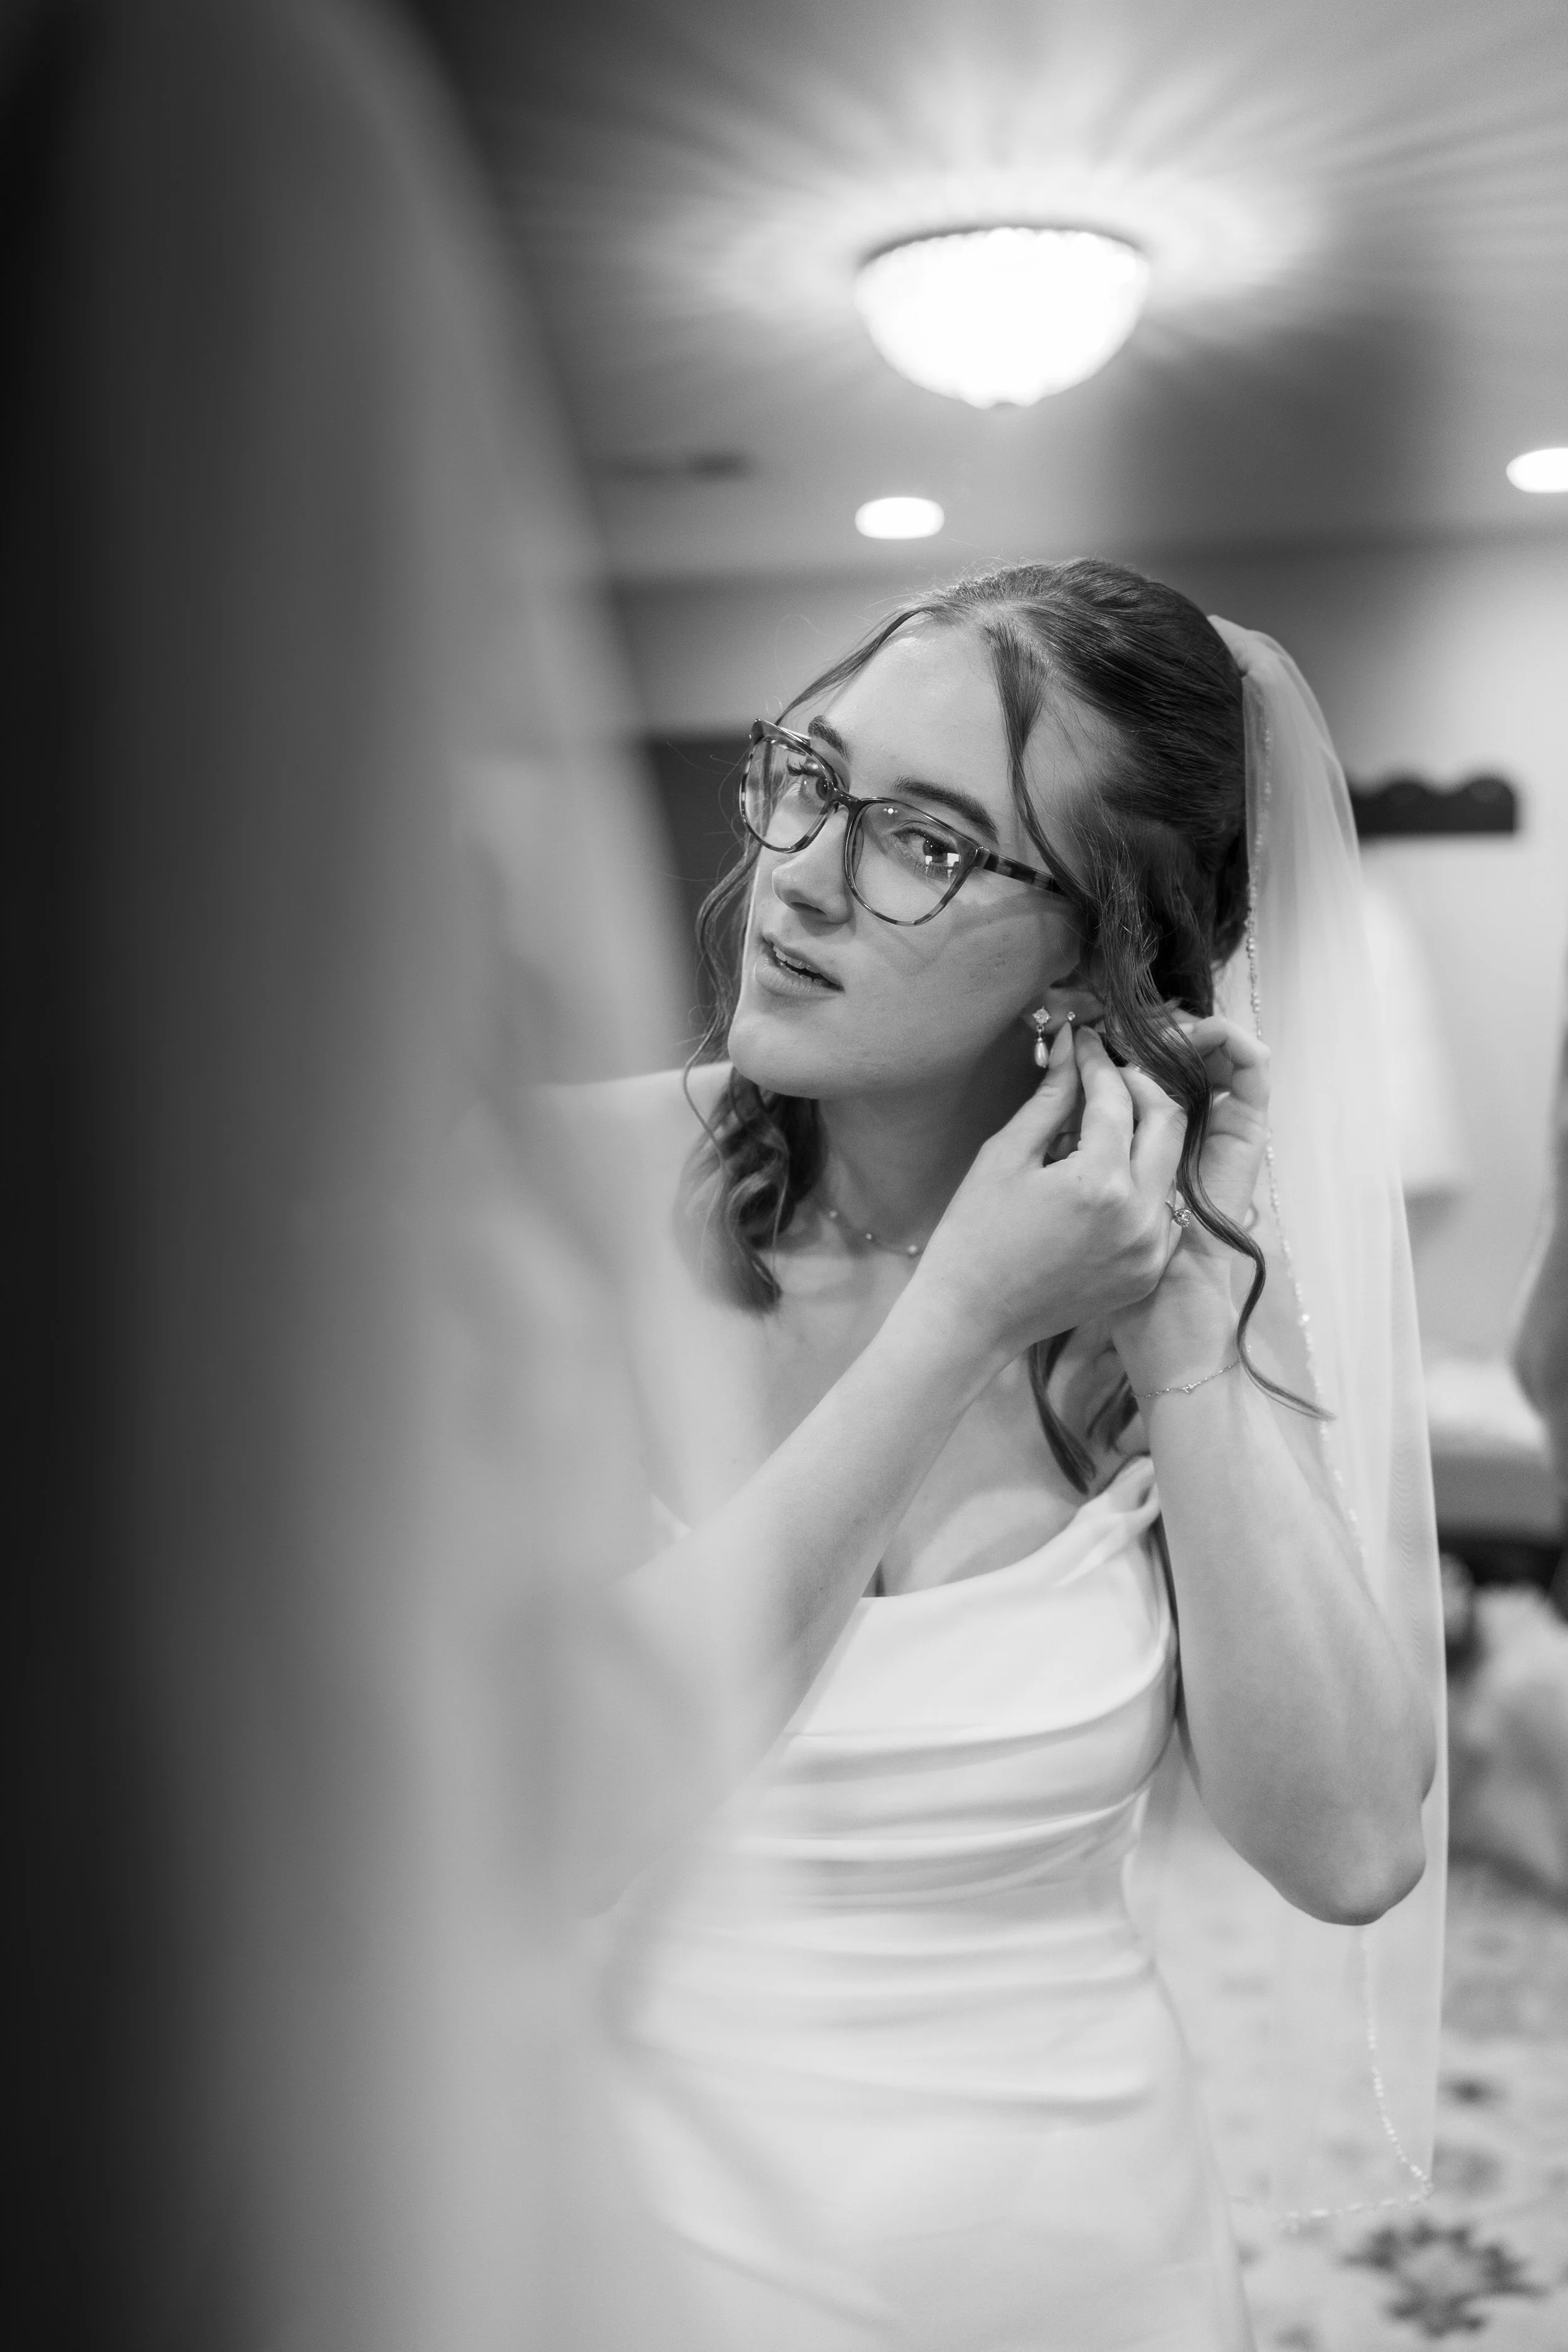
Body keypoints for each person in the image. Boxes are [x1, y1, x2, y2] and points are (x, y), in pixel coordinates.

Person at [559, 561, 1444, 2352]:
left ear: (1102, 951)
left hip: (1085, 2268)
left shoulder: (1166, 1284)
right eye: (811, 777)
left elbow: (1349, 1844)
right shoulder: (549, 1193)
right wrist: (955, 1319)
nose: (802, 871)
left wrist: (1186, 1321)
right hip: (623, 2262)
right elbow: (555, 1808)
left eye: (927, 842)